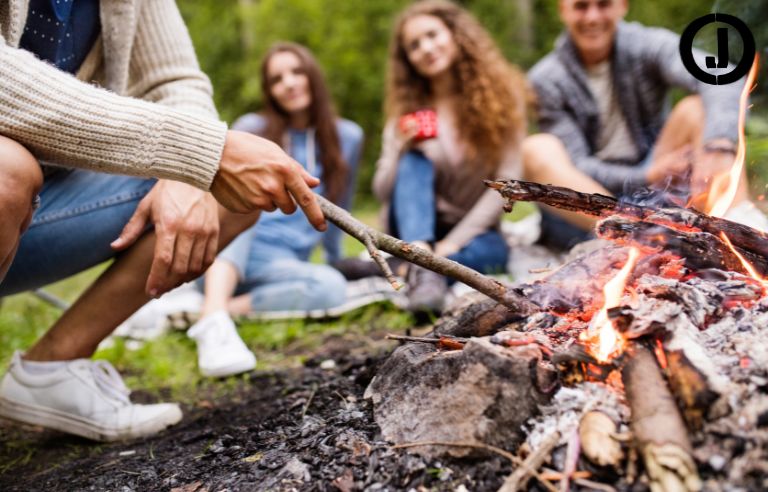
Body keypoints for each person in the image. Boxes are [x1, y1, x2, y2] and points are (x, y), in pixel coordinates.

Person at [0, 0, 326, 442]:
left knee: (228, 191)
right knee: (8, 169)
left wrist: (190, 172)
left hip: (42, 212)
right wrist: (194, 148)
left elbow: (176, 80)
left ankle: (49, 372)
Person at [523, 0, 766, 249]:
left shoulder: (646, 45)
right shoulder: (546, 79)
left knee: (696, 110)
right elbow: (577, 165)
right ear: (563, 10)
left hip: (654, 197)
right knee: (536, 148)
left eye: (603, 5)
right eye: (581, 6)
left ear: (622, 6)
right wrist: (646, 174)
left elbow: (722, 76)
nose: (593, 18)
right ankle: (630, 234)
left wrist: (719, 143)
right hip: (585, 209)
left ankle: (738, 229)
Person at [185, 42, 363, 378]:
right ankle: (213, 311)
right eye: (278, 79)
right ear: (270, 91)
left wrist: (335, 257)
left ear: (313, 76)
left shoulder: (347, 136)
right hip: (229, 254)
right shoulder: (252, 128)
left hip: (281, 269)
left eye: (297, 72)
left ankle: (219, 312)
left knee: (331, 286)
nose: (290, 83)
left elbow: (342, 203)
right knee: (244, 207)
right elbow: (222, 199)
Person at [371, 0, 530, 313]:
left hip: (470, 231)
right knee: (414, 161)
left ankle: (411, 269)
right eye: (414, 45)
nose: (426, 48)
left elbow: (507, 183)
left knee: (495, 254)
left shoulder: (502, 98)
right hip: (413, 228)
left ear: (455, 34)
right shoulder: (407, 112)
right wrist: (400, 146)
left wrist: (451, 244)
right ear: (408, 60)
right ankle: (417, 256)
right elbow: (382, 191)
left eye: (432, 35)